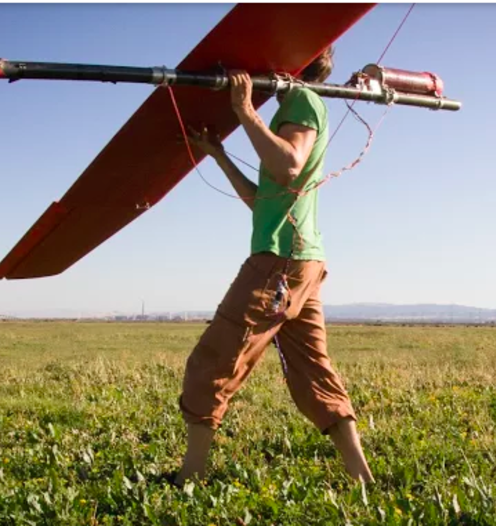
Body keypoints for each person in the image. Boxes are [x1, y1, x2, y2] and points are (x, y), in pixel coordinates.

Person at [175, 46, 374, 486]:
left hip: (279, 263)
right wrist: (219, 154)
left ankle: (188, 479)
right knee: (314, 369)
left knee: (214, 360)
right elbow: (263, 198)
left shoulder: (301, 100)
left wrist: (246, 111)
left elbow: (288, 165)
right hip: (302, 262)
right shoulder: (299, 107)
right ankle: (363, 479)